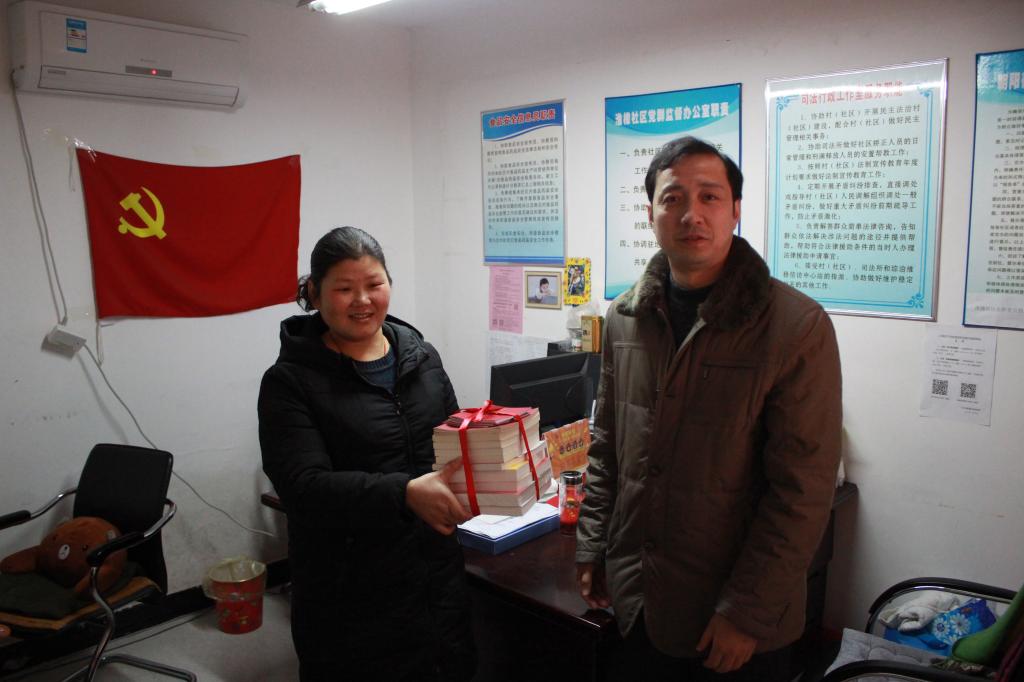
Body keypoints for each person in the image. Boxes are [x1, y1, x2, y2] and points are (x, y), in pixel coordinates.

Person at [575, 136, 842, 681]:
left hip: (731, 619)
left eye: (710, 197)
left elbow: (803, 491)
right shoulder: (625, 317)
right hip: (637, 598)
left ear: (735, 209)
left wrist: (746, 612)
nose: (691, 214)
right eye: (672, 198)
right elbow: (607, 448)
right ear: (650, 213)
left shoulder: (795, 326)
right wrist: (594, 545)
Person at [258, 226, 476, 682]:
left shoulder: (422, 357)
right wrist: (405, 494)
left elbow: (454, 442)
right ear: (314, 293)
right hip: (349, 593)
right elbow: (302, 488)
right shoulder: (288, 382)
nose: (362, 300)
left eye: (374, 284)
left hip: (436, 578)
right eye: (344, 289)